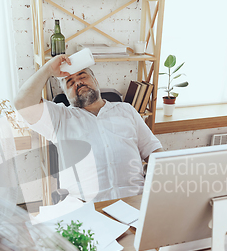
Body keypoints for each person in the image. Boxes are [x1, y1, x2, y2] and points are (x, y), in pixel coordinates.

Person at [14, 54, 163, 202]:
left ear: (96, 81)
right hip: (87, 208)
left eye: (82, 76)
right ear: (66, 94)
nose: (78, 82)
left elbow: (156, 154)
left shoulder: (126, 111)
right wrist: (47, 70)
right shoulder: (59, 118)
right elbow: (22, 103)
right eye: (70, 82)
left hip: (135, 201)